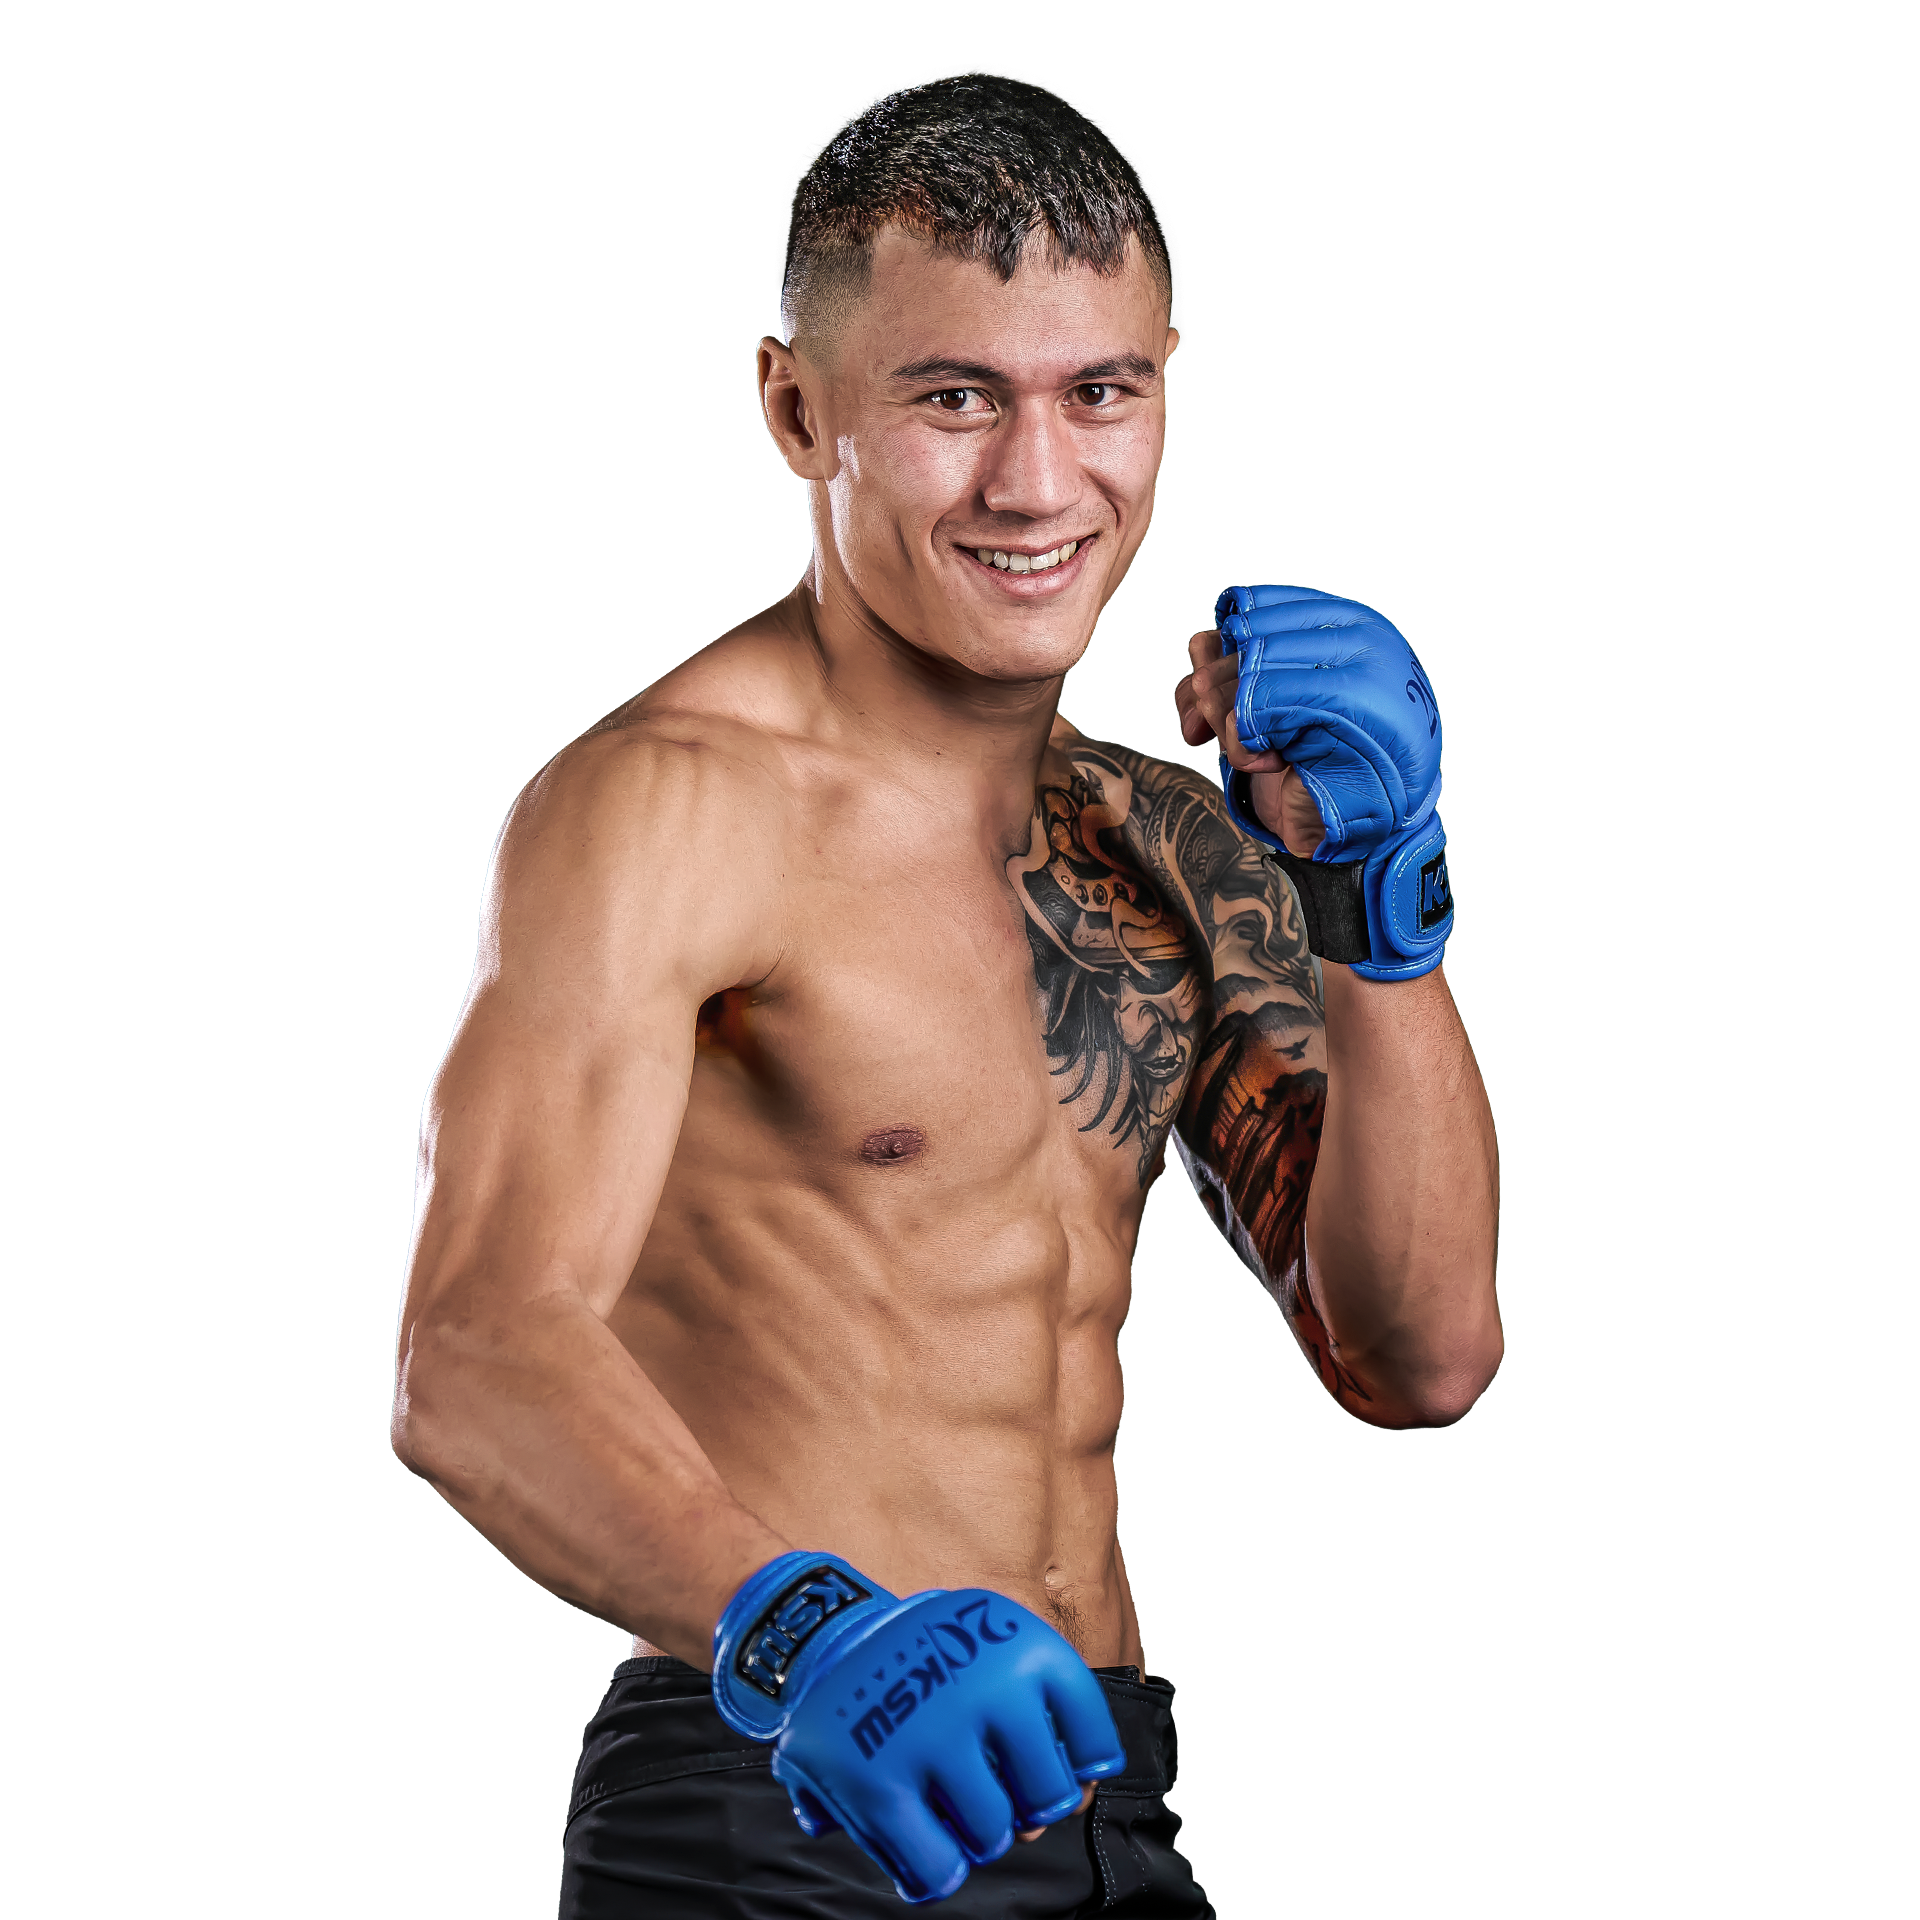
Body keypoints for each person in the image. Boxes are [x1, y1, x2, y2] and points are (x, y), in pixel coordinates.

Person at [391, 71, 1501, 1918]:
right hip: (783, 1792)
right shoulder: (670, 810)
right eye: (956, 398)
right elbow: (475, 1352)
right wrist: (804, 1630)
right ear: (798, 408)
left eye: (1100, 393)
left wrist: (1370, 906)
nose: (1040, 483)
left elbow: (1422, 1353)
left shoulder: (1158, 840)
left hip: (1105, 1793)